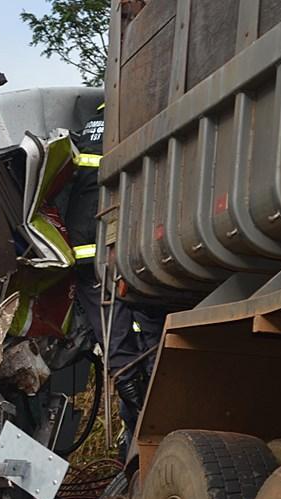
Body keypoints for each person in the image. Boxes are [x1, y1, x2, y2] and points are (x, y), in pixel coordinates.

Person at [65, 104, 166, 459]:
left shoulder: (88, 125)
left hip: (90, 256)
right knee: (150, 334)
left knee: (118, 343)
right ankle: (153, 422)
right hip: (132, 251)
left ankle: (144, 426)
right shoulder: (138, 113)